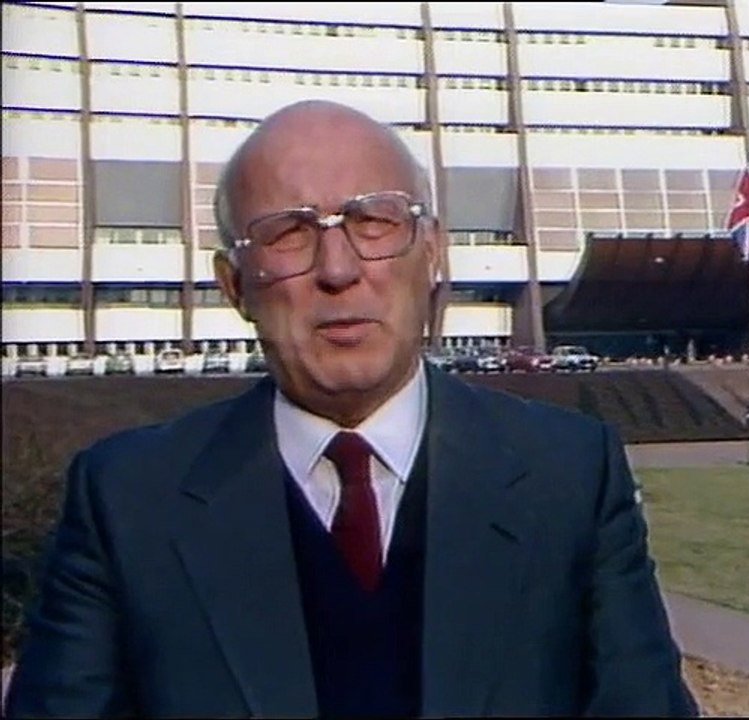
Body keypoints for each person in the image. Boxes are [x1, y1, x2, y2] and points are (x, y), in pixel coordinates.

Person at [6, 100, 698, 718]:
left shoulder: (569, 477)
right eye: (289, 233)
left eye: (373, 221)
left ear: (431, 255)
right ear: (234, 285)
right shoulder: (127, 501)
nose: (338, 269)